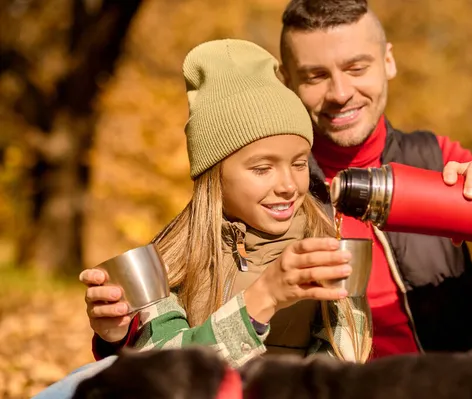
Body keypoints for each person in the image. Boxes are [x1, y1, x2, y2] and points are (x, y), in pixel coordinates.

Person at [82, 0, 472, 396]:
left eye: (356, 67)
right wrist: (115, 332)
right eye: (315, 76)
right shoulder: (269, 194)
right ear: (287, 84)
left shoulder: (435, 160)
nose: (340, 93)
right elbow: (171, 338)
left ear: (388, 62)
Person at [34, 38, 371, 399]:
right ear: (215, 175)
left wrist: (270, 296)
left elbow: (339, 379)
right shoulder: (173, 256)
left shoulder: (327, 254)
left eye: (300, 163)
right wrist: (117, 335)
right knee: (80, 382)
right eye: (262, 168)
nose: (288, 185)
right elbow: (165, 378)